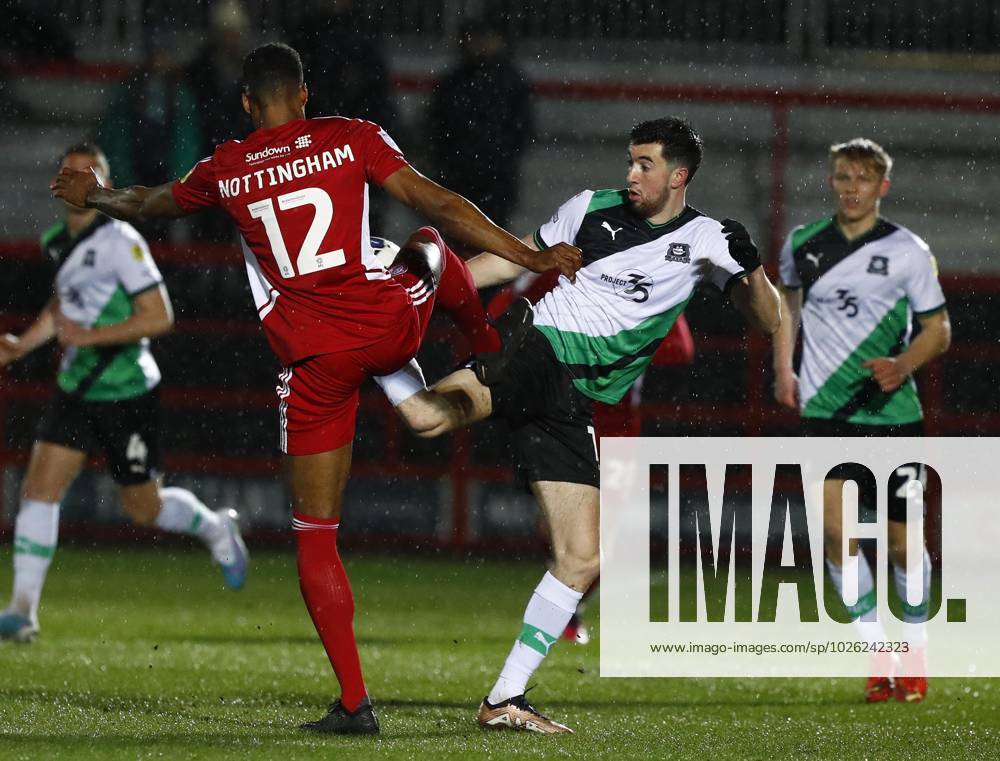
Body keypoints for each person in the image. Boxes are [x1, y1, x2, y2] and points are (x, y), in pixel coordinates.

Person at [50, 43, 581, 735]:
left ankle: (356, 703)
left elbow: (149, 203)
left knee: (315, 535)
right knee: (423, 242)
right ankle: (485, 345)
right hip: (387, 322)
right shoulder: (348, 137)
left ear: (246, 104)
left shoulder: (227, 166)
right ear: (303, 94)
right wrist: (528, 254)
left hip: (314, 360)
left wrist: (93, 195)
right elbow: (439, 200)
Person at [391, 117, 782, 733]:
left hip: (574, 401)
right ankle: (372, 349)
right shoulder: (588, 209)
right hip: (541, 349)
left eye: (645, 165)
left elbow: (770, 320)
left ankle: (504, 698)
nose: (630, 174)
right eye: (630, 161)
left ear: (679, 176)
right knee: (425, 418)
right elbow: (504, 261)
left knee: (580, 558)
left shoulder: (709, 238)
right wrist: (427, 281)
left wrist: (752, 270)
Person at [0, 144, 248, 644]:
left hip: (126, 390)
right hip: (77, 387)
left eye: (89, 175)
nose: (77, 181)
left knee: (143, 508)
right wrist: (22, 345)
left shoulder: (121, 241)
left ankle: (214, 526)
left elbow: (159, 317)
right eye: (68, 173)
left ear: (104, 187)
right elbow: (63, 303)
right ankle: (23, 611)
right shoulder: (56, 241)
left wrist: (88, 337)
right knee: (40, 488)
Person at [772, 138, 951, 704]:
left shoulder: (907, 251)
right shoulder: (803, 244)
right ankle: (879, 657)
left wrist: (902, 365)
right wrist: (784, 370)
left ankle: (915, 652)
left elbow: (938, 330)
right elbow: (787, 309)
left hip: (893, 416)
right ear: (832, 180)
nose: (852, 187)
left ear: (882, 187)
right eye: (844, 177)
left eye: (863, 179)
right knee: (834, 535)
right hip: (825, 413)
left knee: (902, 545)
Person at [428, 16, 533, 227]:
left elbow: (522, 129)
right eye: (475, 37)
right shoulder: (454, 81)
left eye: (487, 37)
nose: (481, 44)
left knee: (492, 238)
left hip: (495, 177)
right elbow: (437, 125)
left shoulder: (511, 81)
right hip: (458, 175)